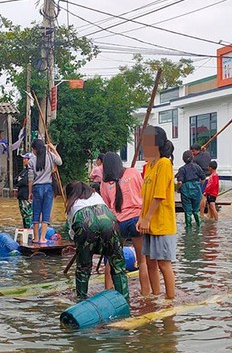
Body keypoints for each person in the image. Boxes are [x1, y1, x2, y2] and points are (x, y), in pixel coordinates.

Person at [66, 181, 129, 302]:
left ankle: (81, 300)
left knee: (83, 267)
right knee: (117, 264)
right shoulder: (96, 196)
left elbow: (72, 233)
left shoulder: (72, 204)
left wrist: (81, 248)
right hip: (108, 222)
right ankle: (125, 300)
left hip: (85, 224)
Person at [100, 152, 150, 296]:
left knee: (111, 261)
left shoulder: (105, 183)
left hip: (118, 223)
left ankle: (108, 293)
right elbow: (143, 194)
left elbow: (107, 207)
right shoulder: (133, 172)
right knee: (142, 262)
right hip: (137, 220)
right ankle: (146, 295)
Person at [137, 126, 177, 299]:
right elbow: (145, 197)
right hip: (148, 223)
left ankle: (170, 300)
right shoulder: (149, 166)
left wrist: (147, 218)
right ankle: (155, 296)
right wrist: (141, 218)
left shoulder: (164, 163)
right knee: (150, 263)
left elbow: (159, 195)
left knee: (163, 264)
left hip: (161, 223)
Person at [28, 138, 63, 244]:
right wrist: (53, 149)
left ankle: (36, 238)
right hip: (48, 187)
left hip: (37, 187)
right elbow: (60, 162)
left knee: (36, 213)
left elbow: (30, 179)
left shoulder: (31, 161)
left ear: (35, 149)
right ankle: (43, 238)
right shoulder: (50, 156)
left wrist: (30, 192)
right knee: (46, 213)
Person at [175, 150, 205, 227]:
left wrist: (178, 189)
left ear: (183, 159)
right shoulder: (197, 167)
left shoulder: (182, 169)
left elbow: (180, 182)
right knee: (196, 209)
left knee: (188, 211)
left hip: (185, 190)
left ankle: (188, 228)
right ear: (192, 158)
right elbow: (203, 178)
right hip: (196, 189)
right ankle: (199, 227)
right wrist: (199, 187)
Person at [14, 153, 33, 228]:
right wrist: (19, 180)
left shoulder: (31, 170)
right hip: (21, 195)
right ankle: (26, 228)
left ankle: (29, 230)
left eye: (25, 159)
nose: (23, 160)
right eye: (24, 159)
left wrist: (19, 180)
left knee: (27, 214)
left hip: (26, 195)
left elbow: (25, 181)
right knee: (23, 214)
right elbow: (15, 180)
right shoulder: (24, 170)